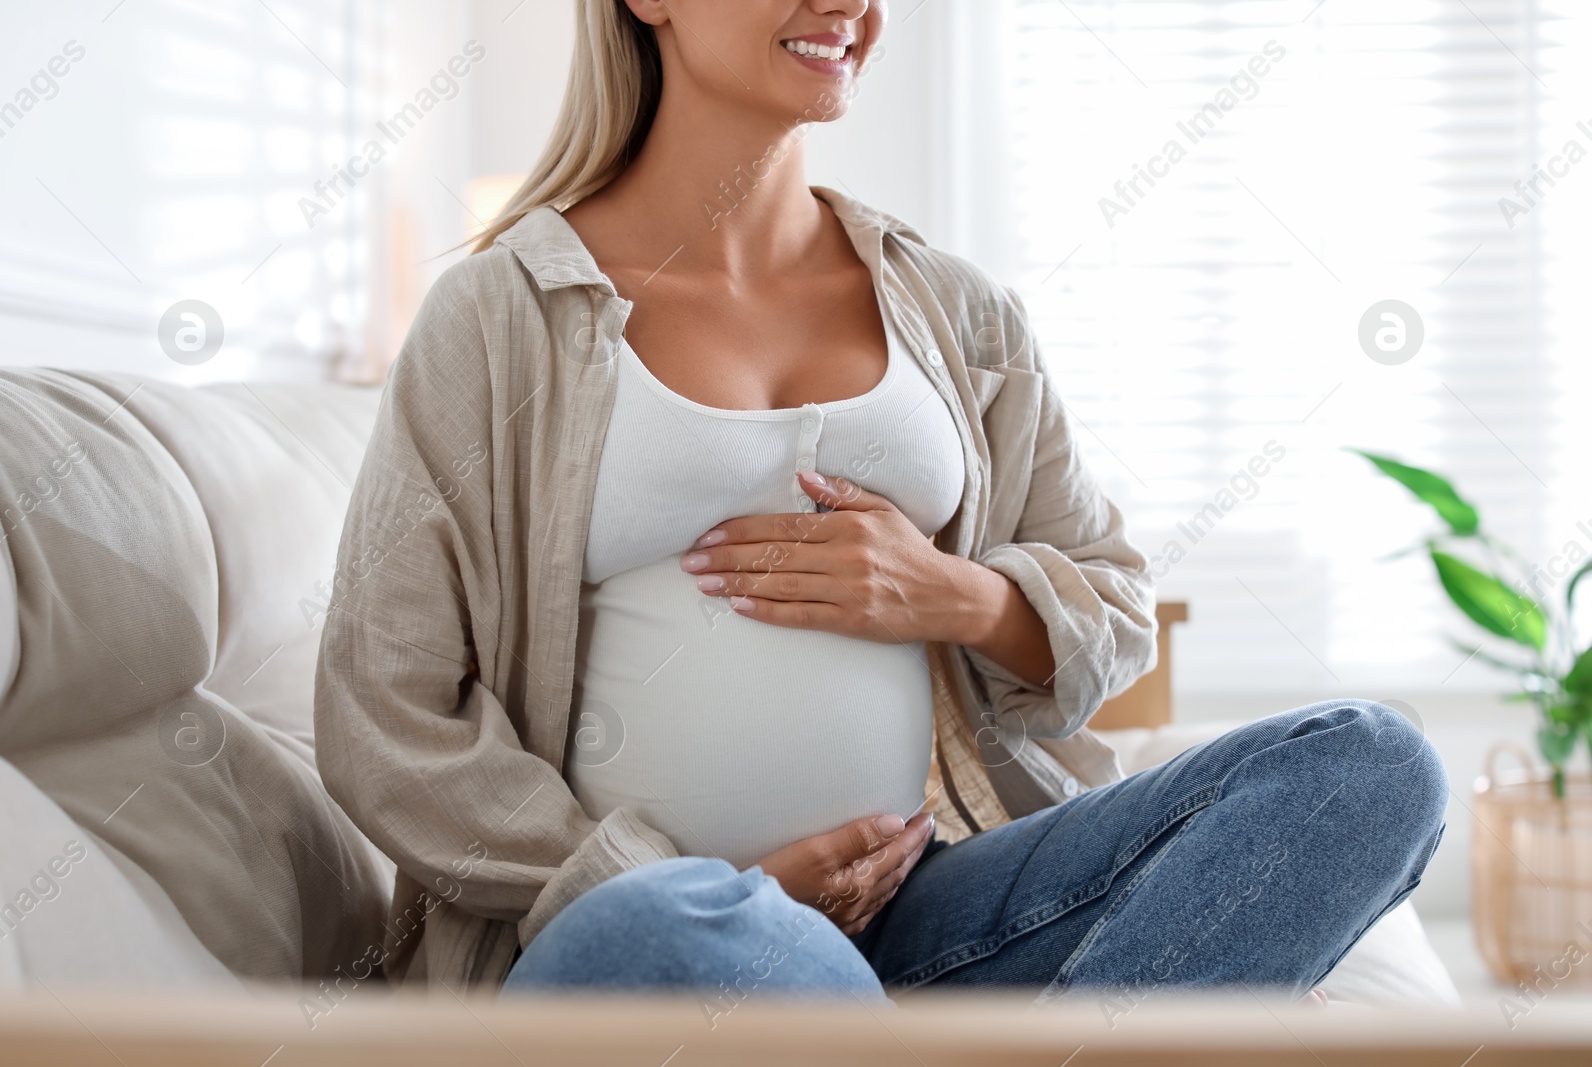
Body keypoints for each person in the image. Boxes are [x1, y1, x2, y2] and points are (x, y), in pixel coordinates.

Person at [313, 0, 1447, 1011]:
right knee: (670, 929)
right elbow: (385, 711)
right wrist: (657, 880)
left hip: (927, 908)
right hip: (657, 939)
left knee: (1370, 764)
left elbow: (1111, 606)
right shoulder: (498, 319)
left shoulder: (961, 312)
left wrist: (953, 593)